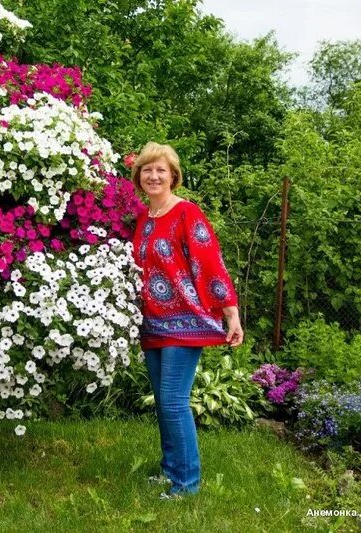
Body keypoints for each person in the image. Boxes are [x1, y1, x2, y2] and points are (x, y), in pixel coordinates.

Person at [130, 141, 243, 500]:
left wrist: (231, 314)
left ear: (173, 176)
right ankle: (171, 469)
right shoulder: (143, 219)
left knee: (175, 401)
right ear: (139, 177)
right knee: (164, 401)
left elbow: (210, 263)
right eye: (147, 169)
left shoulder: (187, 213)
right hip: (153, 323)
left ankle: (187, 483)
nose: (154, 175)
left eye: (161, 169)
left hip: (186, 321)